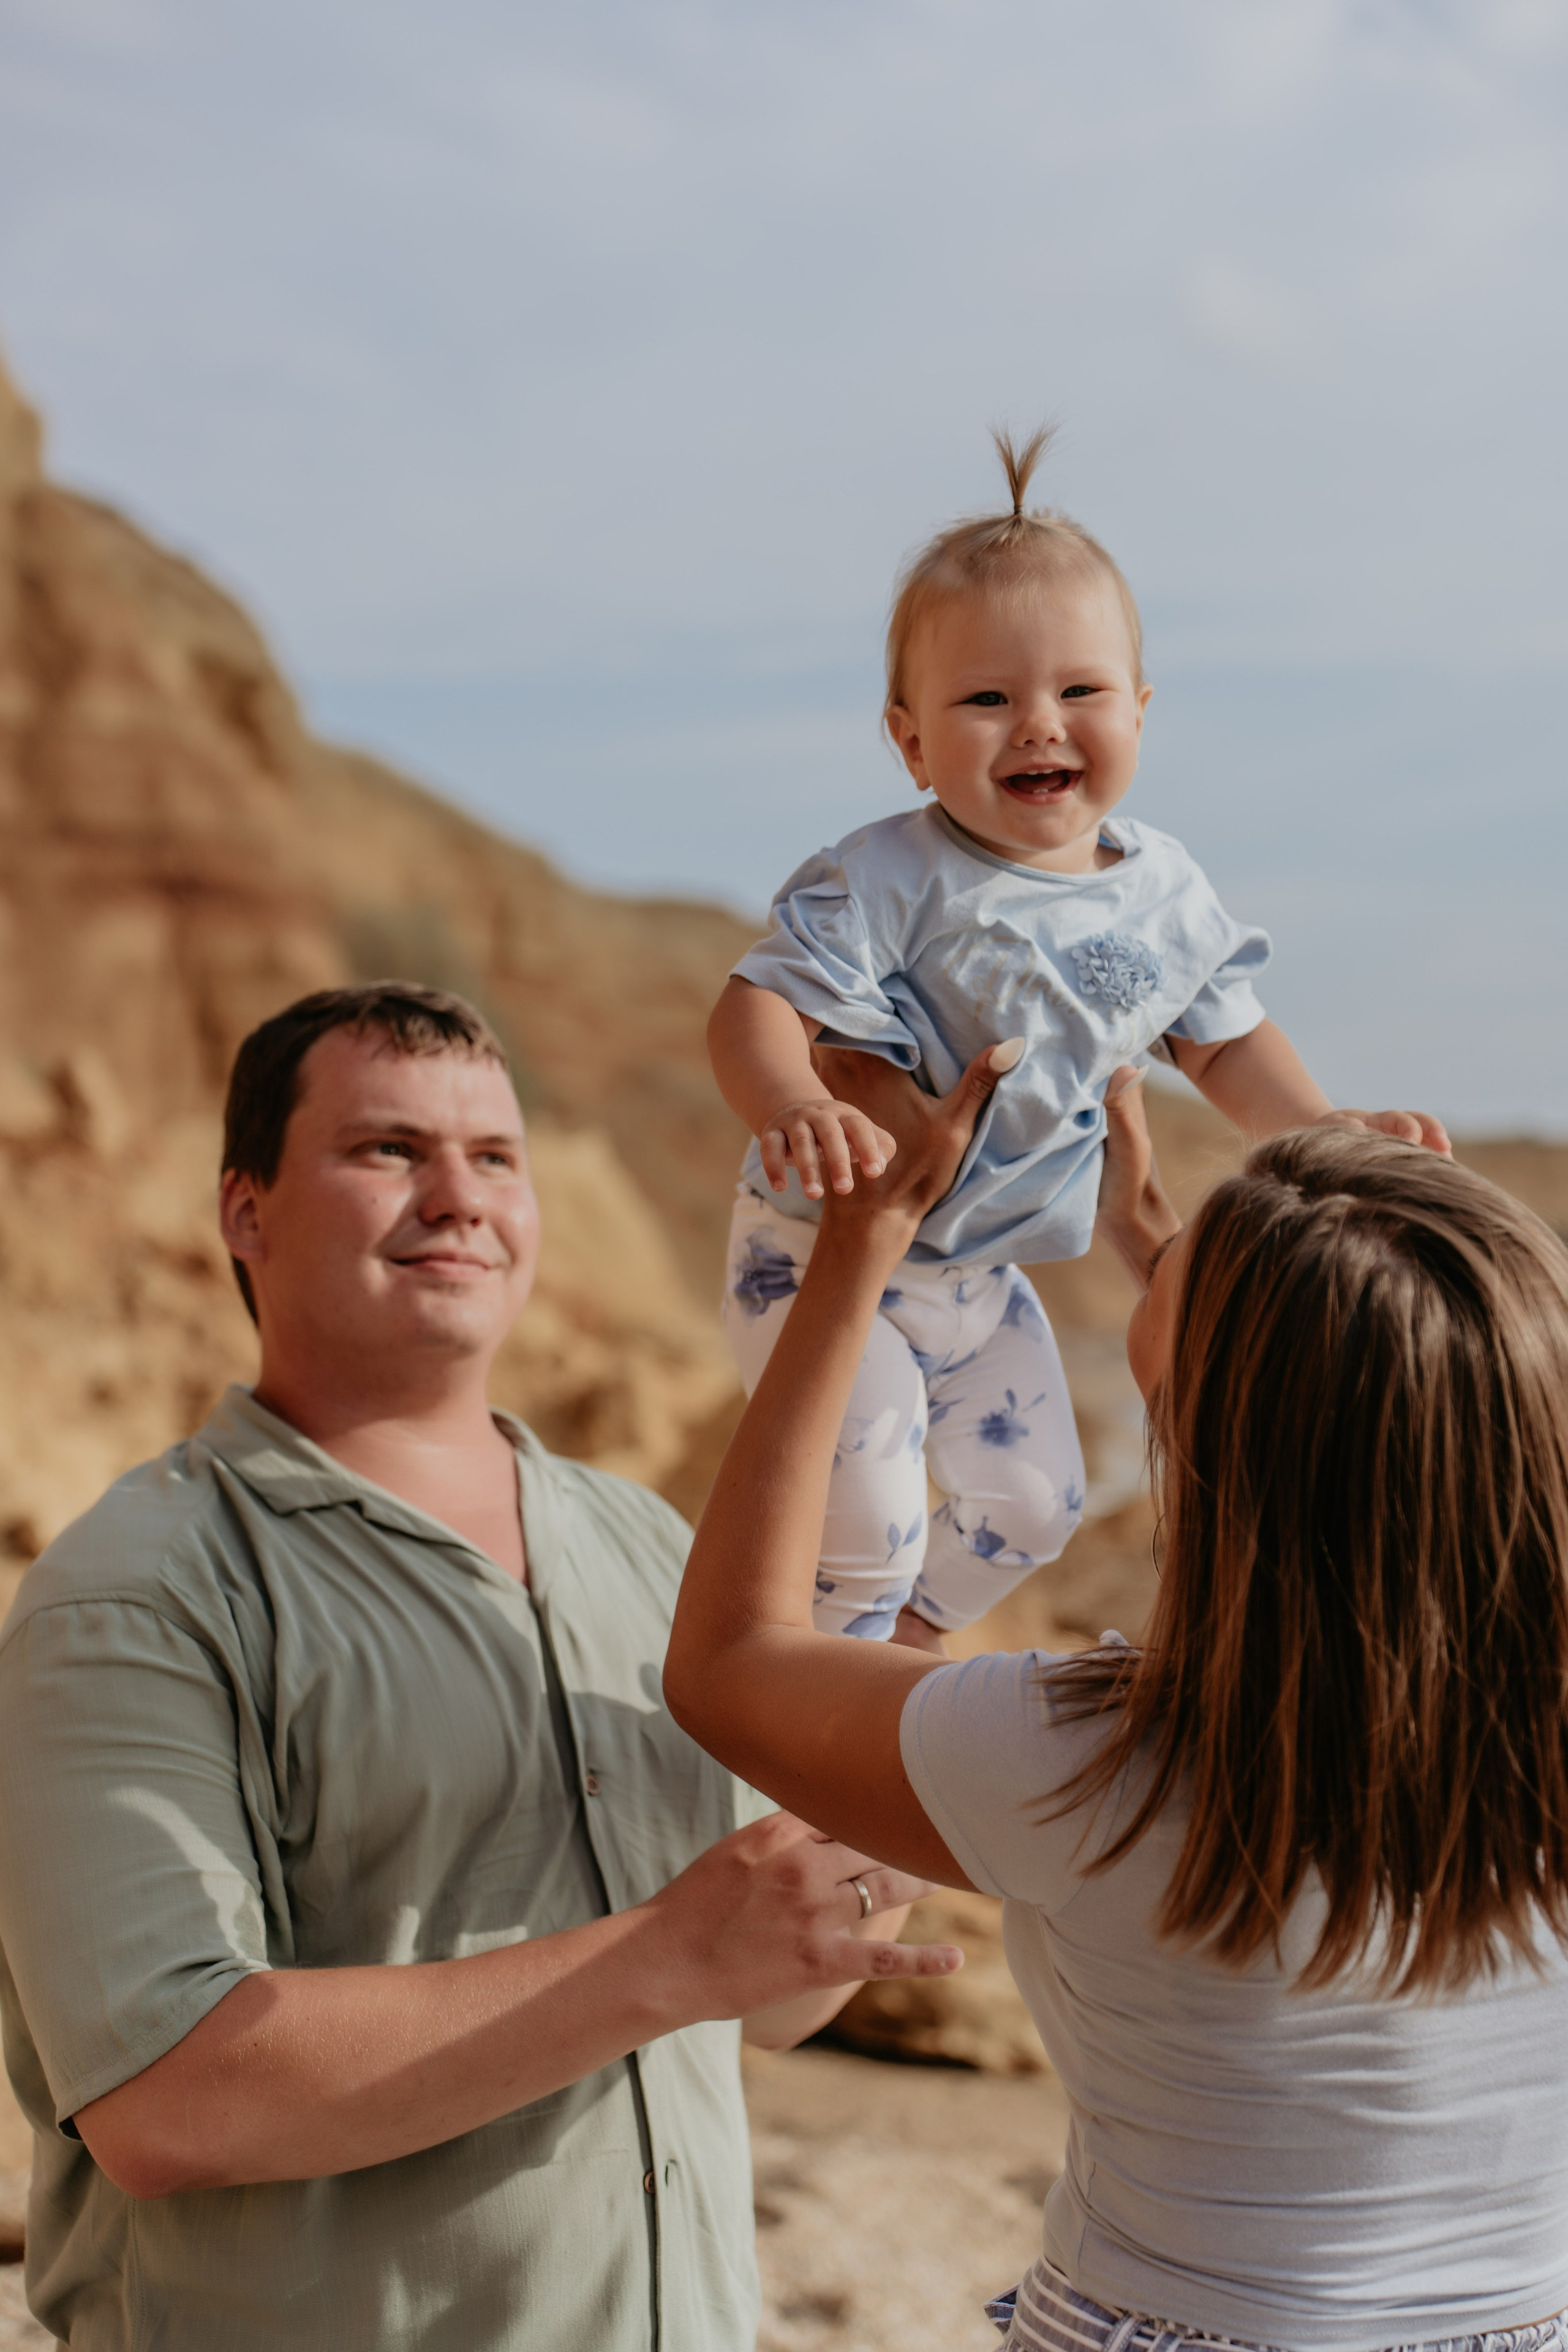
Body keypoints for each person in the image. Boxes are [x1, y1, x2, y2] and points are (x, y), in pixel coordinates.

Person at [0, 983, 959, 2352]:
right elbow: (169, 2097)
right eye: (387, 1150)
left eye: (495, 1157)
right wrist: (668, 1956)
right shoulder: (137, 1594)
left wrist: (910, 1738)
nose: (458, 1197)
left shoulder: (647, 1545)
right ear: (244, 1212)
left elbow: (780, 1995)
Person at [665, 1044, 1568, 2349]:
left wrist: (855, 1257)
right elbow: (1332, 1433)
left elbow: (729, 1661)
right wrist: (1411, 1290)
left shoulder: (1081, 1758)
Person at [709, 426, 1449, 1645]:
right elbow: (755, 1004)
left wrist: (1322, 1132)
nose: (1036, 725)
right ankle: (819, 1707)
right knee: (872, 1520)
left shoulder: (1159, 891)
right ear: (907, 739)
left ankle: (892, 1656)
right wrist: (788, 1099)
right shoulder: (885, 876)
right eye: (986, 699)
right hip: (819, 1250)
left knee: (1036, 1504)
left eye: (1078, 692)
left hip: (984, 1270)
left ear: (1142, 713)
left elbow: (1218, 1042)